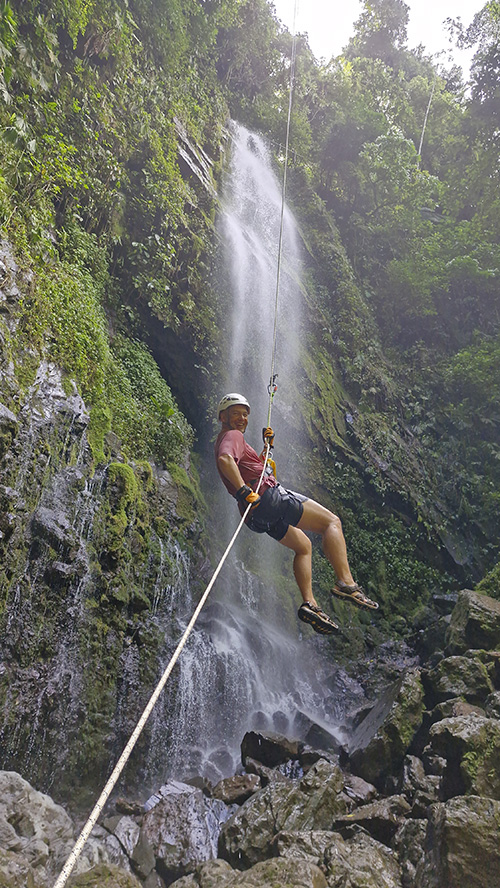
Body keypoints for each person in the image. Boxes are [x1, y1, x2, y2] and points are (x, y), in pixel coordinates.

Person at [215, 393, 378, 635]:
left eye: (246, 414)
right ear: (223, 417)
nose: (242, 418)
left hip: (255, 517)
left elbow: (249, 467)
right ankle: (346, 582)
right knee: (331, 522)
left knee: (303, 545)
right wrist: (242, 491)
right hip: (268, 499)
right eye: (236, 413)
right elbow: (226, 459)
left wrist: (265, 450)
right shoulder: (232, 435)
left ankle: (310, 604)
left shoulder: (229, 439)